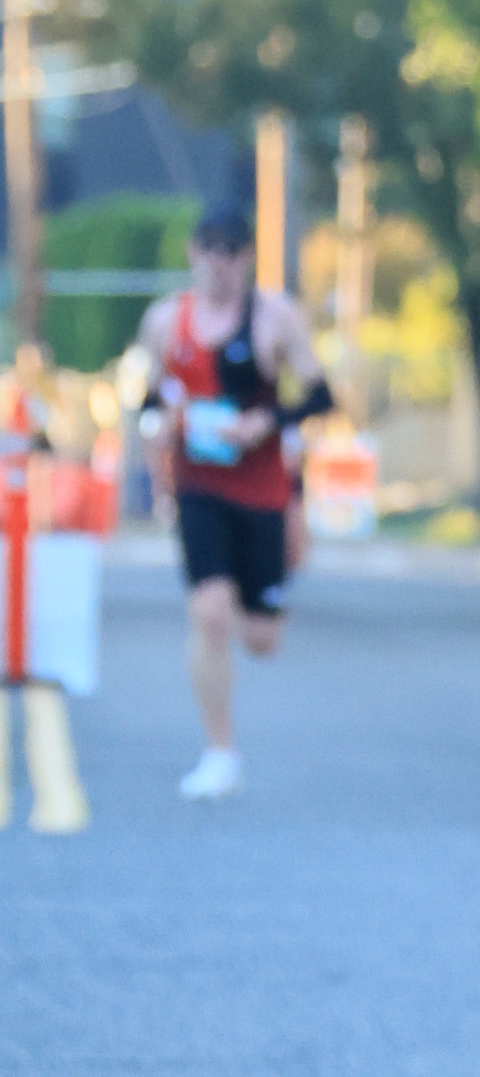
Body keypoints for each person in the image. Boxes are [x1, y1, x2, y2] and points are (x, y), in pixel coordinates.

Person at [141, 206, 334, 800]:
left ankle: (280, 572)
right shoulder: (165, 321)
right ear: (192, 254)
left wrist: (265, 422)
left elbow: (322, 396)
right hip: (199, 484)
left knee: (261, 638)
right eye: (208, 250)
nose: (218, 263)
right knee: (209, 614)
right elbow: (147, 402)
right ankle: (219, 751)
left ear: (247, 258)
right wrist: (160, 445)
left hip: (262, 488)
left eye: (230, 252)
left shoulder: (275, 319)